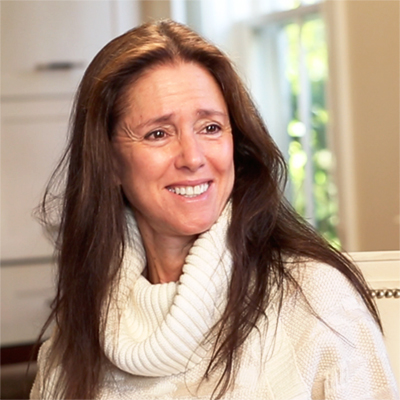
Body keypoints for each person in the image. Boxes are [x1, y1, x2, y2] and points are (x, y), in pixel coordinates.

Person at [31, 20, 398, 400]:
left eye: (210, 128)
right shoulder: (74, 335)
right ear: (107, 162)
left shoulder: (317, 299)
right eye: (159, 133)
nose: (193, 157)